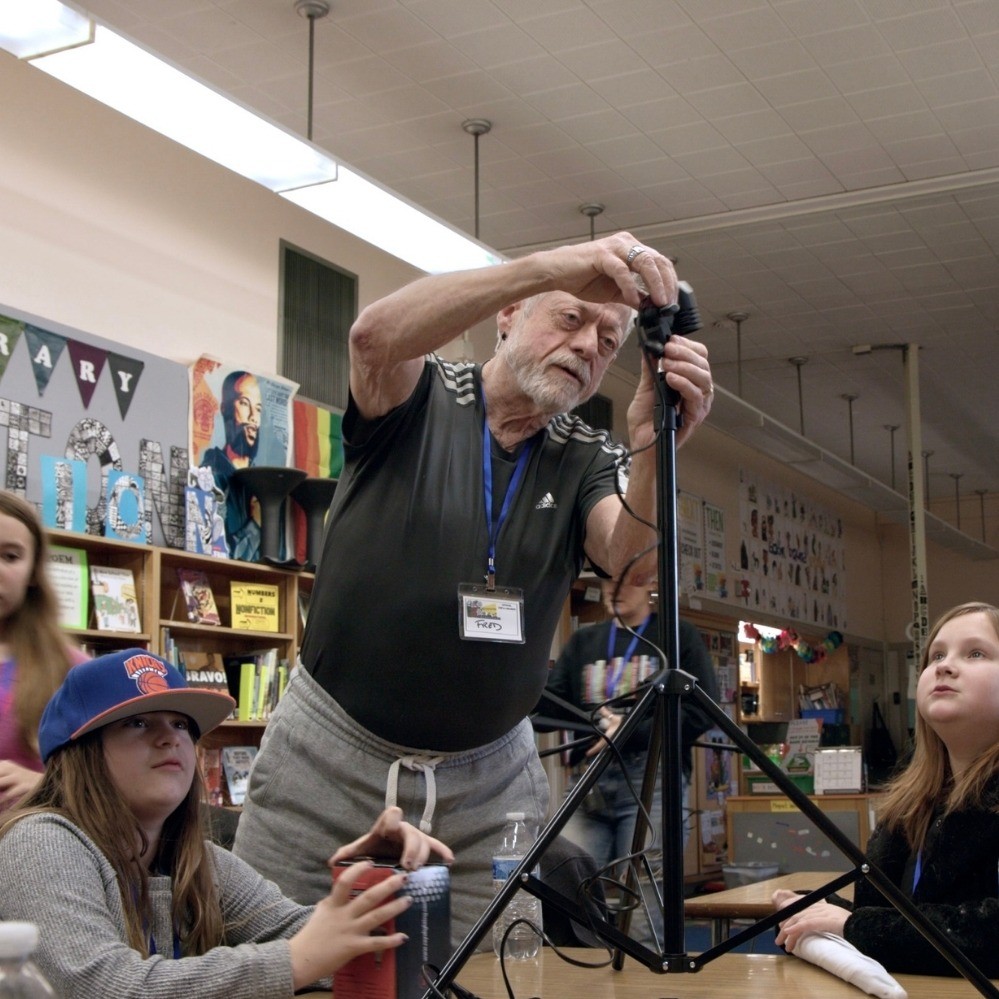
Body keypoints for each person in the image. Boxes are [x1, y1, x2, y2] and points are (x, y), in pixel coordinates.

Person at [232, 231, 714, 946]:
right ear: (509, 312)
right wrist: (556, 264)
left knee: (497, 972)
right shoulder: (422, 395)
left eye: (608, 338)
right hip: (326, 762)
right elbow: (372, 337)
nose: (588, 345)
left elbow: (626, 556)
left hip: (488, 789)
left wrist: (652, 444)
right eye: (570, 318)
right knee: (272, 964)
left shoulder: (586, 454)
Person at [0, 648, 453, 999]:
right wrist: (294, 961)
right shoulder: (41, 842)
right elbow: (99, 987)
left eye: (182, 724)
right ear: (78, 754)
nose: (169, 738)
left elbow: (317, 942)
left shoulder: (198, 860)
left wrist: (380, 882)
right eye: (137, 723)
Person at [773, 602, 999, 976]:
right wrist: (814, 908)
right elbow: (893, 920)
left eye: (976, 653)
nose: (943, 665)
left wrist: (849, 925)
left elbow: (986, 936)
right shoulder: (910, 804)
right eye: (936, 655)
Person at [538, 577, 718, 941]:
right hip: (590, 781)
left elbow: (704, 709)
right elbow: (550, 707)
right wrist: (596, 723)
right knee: (562, 884)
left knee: (642, 910)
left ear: (650, 582)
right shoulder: (583, 643)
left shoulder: (676, 636)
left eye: (627, 580)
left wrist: (632, 728)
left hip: (651, 780)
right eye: (607, 580)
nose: (614, 588)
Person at [0, 490, 88, 814]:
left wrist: (44, 786)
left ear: (34, 570)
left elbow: (112, 786)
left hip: (25, 846)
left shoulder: (71, 669)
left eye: (10, 556)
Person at [199, 370, 263, 559]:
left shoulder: (263, 485)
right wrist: (256, 525)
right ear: (225, 409)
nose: (254, 417)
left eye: (258, 409)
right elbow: (222, 555)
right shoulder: (211, 475)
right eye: (244, 403)